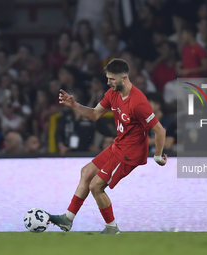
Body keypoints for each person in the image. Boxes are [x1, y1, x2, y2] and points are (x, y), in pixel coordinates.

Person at [48, 59, 167, 234]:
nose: (108, 82)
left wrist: (157, 156)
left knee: (96, 186)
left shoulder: (138, 102)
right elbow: (95, 114)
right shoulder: (113, 93)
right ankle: (67, 219)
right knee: (86, 172)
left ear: (124, 78)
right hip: (119, 145)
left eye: (111, 79)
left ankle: (112, 228)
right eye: (108, 78)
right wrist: (74, 105)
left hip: (130, 153)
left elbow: (159, 130)